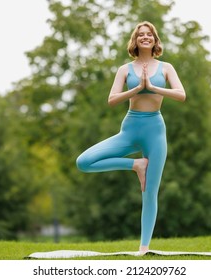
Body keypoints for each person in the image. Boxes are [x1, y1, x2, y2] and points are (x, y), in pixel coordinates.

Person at [76, 21, 186, 254]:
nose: (145, 38)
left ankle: (144, 248)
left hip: (155, 131)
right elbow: (112, 99)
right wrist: (137, 89)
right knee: (83, 162)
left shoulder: (166, 67)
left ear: (155, 40)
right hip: (130, 129)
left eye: (149, 35)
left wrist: (153, 87)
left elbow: (181, 94)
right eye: (140, 35)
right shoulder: (125, 70)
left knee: (150, 192)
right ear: (135, 41)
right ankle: (136, 165)